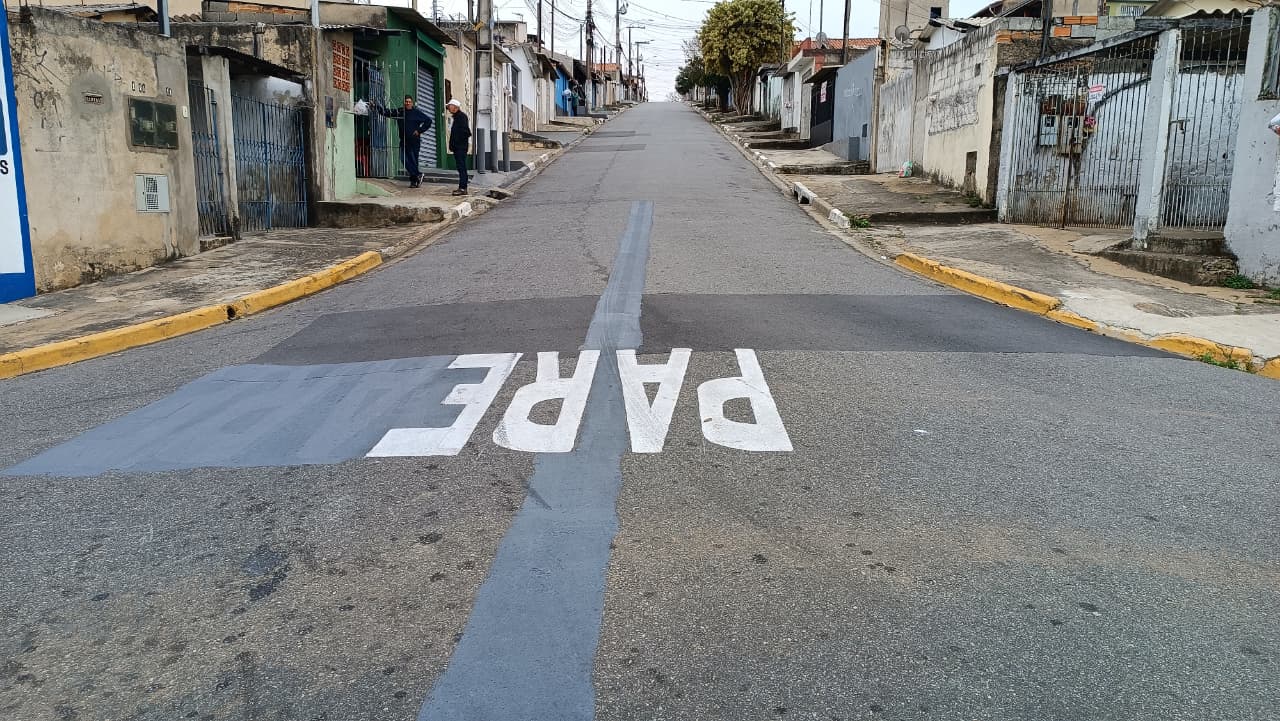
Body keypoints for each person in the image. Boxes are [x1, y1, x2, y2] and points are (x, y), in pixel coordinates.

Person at [377, 95, 432, 188]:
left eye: (409, 101)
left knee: (413, 160)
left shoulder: (416, 113)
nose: (407, 103)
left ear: (412, 103)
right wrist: (377, 107)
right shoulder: (400, 111)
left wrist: (419, 130)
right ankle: (417, 175)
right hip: (404, 140)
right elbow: (386, 113)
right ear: (404, 102)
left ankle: (414, 181)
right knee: (403, 159)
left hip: (414, 141)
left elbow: (428, 121)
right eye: (406, 101)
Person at [446, 98, 472, 196]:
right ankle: (462, 187)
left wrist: (457, 142)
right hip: (458, 147)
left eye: (450, 106)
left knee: (462, 167)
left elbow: (466, 132)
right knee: (460, 167)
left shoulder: (461, 117)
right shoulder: (455, 117)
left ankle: (463, 188)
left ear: (455, 107)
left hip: (460, 147)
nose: (448, 108)